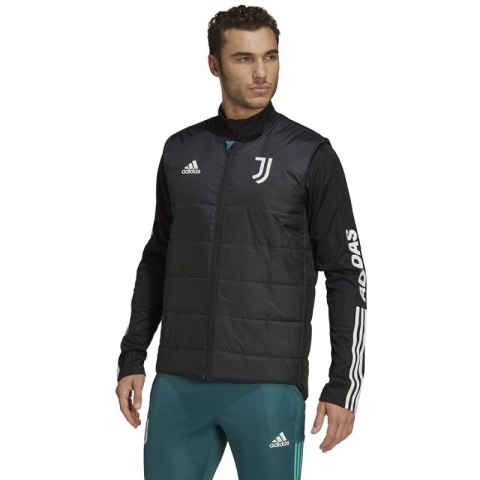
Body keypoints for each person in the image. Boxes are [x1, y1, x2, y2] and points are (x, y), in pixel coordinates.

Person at [115, 5, 367, 479]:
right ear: (214, 64)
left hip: (267, 388)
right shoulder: (180, 150)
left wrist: (343, 386)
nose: (261, 73)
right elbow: (158, 258)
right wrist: (133, 355)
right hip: (180, 383)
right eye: (244, 58)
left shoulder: (309, 155)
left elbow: (346, 273)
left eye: (270, 56)